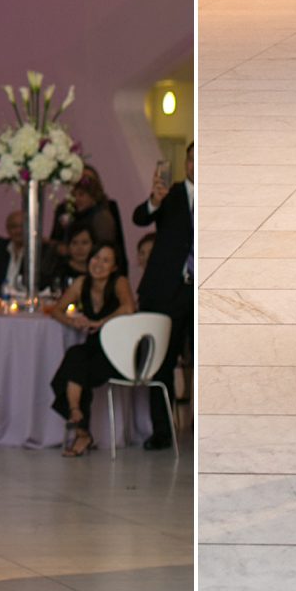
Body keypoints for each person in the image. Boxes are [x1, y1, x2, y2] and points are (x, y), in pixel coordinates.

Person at [131, 141, 194, 449]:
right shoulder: (172, 195)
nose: (196, 166)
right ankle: (163, 430)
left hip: (203, 293)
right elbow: (140, 218)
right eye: (192, 160)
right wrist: (155, 201)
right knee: (162, 360)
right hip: (167, 291)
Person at [47, 242, 137, 457]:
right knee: (76, 357)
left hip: (117, 348)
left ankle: (80, 427)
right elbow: (57, 309)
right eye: (96, 258)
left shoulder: (119, 281)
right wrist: (73, 322)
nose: (99, 264)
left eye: (106, 260)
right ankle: (77, 416)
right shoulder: (81, 282)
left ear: (114, 267)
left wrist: (101, 322)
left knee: (74, 366)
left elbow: (129, 308)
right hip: (94, 346)